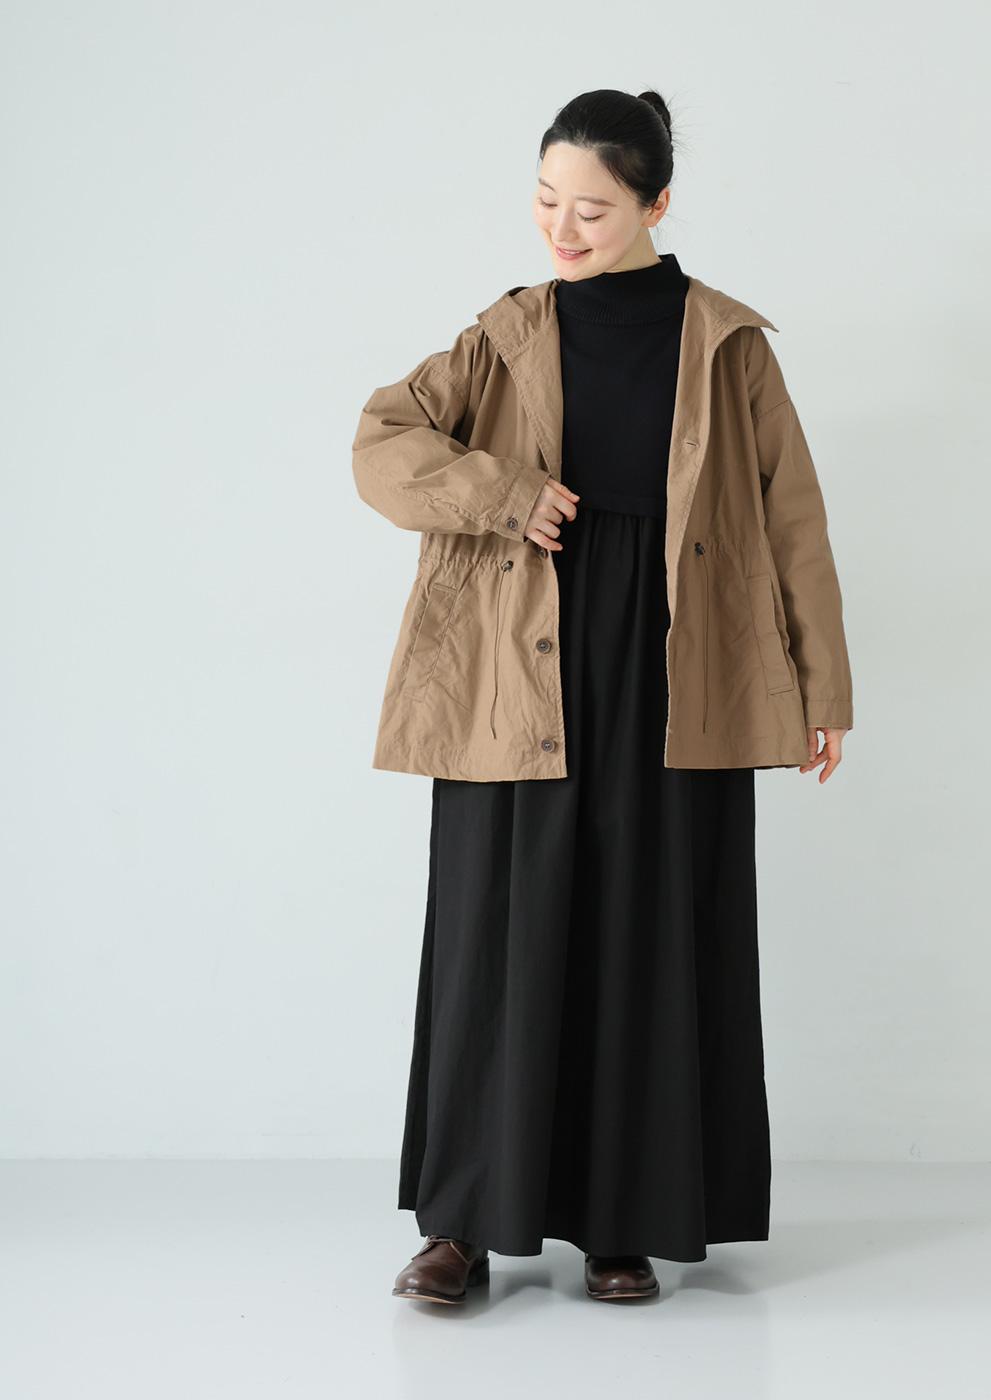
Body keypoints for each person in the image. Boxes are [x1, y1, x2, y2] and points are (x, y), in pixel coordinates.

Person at [350, 88, 854, 1307]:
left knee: (646, 930)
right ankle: (463, 1222)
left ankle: (620, 1218)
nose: (562, 229)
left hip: (678, 662)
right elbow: (382, 442)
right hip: (515, 656)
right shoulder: (504, 333)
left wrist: (822, 684)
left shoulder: (729, 343)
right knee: (496, 930)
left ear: (656, 204)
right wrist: (501, 491)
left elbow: (792, 516)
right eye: (546, 201)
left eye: (592, 208)